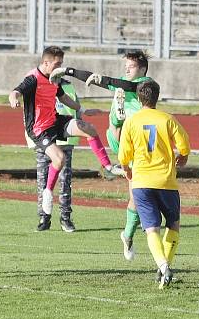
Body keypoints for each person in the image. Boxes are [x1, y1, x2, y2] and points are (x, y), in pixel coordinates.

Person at [49, 50, 153, 259]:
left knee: (138, 195)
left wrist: (104, 80)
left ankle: (128, 235)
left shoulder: (146, 84)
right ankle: (117, 123)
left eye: (130, 67)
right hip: (124, 139)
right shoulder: (123, 81)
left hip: (142, 142)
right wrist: (68, 71)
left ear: (141, 69)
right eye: (126, 66)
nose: (127, 70)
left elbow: (128, 86)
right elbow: (92, 77)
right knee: (118, 123)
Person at [9, 46, 122, 217]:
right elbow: (16, 91)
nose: (60, 67)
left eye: (62, 63)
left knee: (89, 128)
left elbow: (63, 97)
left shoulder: (54, 78)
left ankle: (107, 167)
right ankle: (48, 192)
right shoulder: (33, 78)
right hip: (39, 129)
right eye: (57, 64)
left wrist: (82, 110)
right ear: (45, 63)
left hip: (55, 121)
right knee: (59, 158)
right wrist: (13, 99)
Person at [118, 80, 190, 289]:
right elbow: (184, 144)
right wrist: (183, 156)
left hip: (141, 182)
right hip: (166, 181)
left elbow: (124, 154)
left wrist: (127, 168)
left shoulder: (131, 122)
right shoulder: (167, 119)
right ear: (157, 97)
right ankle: (163, 267)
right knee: (173, 225)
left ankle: (163, 265)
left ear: (139, 98)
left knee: (151, 229)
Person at [30, 78, 79, 232]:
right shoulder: (37, 85)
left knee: (65, 182)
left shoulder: (68, 87)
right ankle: (44, 216)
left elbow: (76, 110)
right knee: (42, 182)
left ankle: (65, 217)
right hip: (43, 139)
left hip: (64, 141)